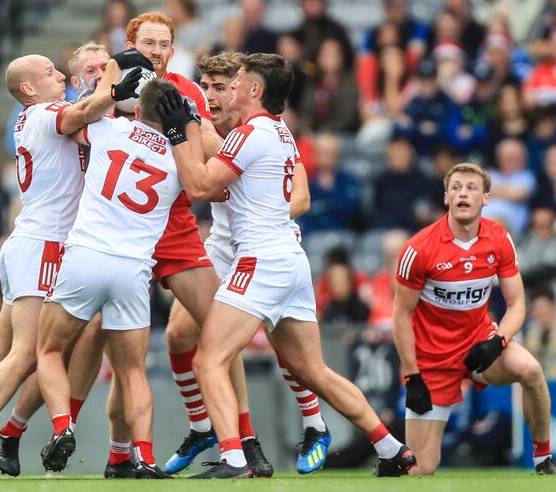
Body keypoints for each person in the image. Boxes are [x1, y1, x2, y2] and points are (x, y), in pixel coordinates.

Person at [156, 52, 415, 478]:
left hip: (259, 260)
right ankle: (391, 448)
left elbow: (200, 185)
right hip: (289, 258)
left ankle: (235, 459)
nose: (232, 87)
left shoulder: (247, 134)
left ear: (255, 90)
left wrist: (176, 134)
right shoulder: (281, 133)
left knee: (209, 360)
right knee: (312, 370)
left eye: (236, 82)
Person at [0, 52, 144, 481]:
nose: (60, 75)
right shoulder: (45, 113)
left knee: (4, 354)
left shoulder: (31, 118)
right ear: (28, 88)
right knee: (27, 354)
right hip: (44, 245)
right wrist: (113, 86)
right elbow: (83, 112)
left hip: (28, 243)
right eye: (49, 72)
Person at [103, 11, 253, 476]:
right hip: (115, 227)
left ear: (173, 49)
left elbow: (213, 143)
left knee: (219, 327)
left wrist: (188, 130)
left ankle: (243, 438)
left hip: (171, 225)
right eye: (147, 42)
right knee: (107, 350)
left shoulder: (185, 92)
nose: (156, 50)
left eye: (164, 43)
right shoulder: (108, 88)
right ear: (131, 44)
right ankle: (118, 453)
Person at [36, 76, 184, 479]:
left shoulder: (110, 128)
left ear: (137, 110)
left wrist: (107, 90)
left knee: (48, 350)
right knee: (133, 370)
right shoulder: (179, 156)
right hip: (134, 270)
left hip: (86, 256)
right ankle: (146, 456)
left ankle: (63, 425)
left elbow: (70, 120)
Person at [196, 51, 330, 475]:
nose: (214, 95)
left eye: (223, 86)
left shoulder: (256, 131)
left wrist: (257, 209)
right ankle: (223, 433)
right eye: (207, 86)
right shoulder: (216, 128)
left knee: (272, 345)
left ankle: (306, 424)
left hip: (262, 248)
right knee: (188, 335)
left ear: (246, 89)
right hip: (224, 243)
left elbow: (301, 198)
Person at [392, 162, 556, 475]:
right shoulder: (418, 248)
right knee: (420, 469)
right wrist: (412, 375)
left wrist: (498, 341)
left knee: (531, 371)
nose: (463, 193)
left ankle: (542, 458)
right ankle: (390, 461)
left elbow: (517, 302)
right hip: (432, 359)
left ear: (486, 199)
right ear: (446, 198)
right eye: (456, 188)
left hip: (478, 346)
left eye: (471, 188)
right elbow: (401, 315)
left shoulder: (499, 238)